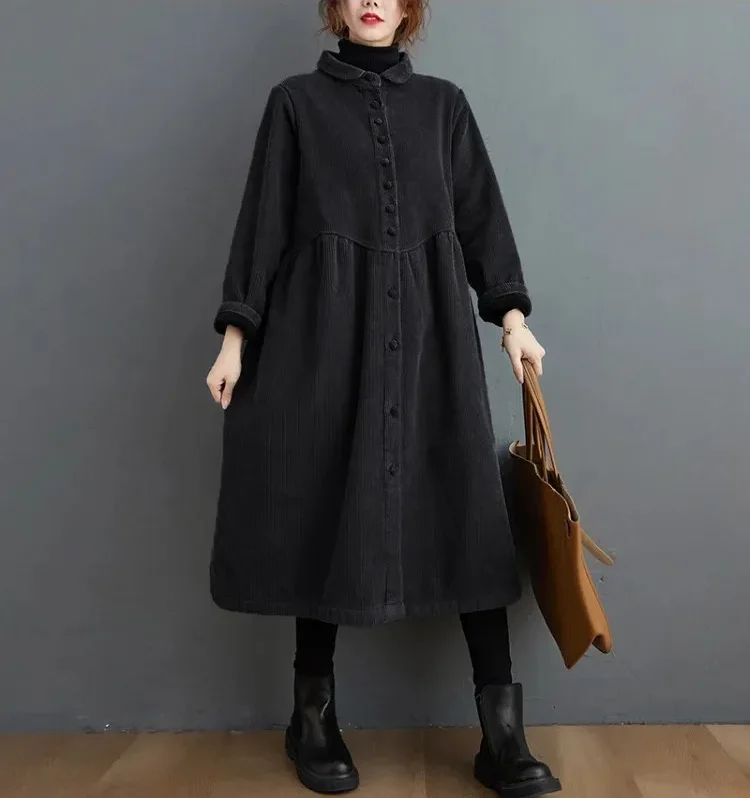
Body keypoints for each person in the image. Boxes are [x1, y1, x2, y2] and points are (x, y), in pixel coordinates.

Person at [206, 1, 559, 795]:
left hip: (432, 341)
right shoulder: (295, 103)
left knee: (468, 516)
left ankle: (503, 737)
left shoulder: (444, 106)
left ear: (409, 10)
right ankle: (312, 718)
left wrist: (512, 320)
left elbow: (482, 217)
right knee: (325, 499)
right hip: (322, 340)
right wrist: (235, 338)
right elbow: (262, 223)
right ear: (335, 8)